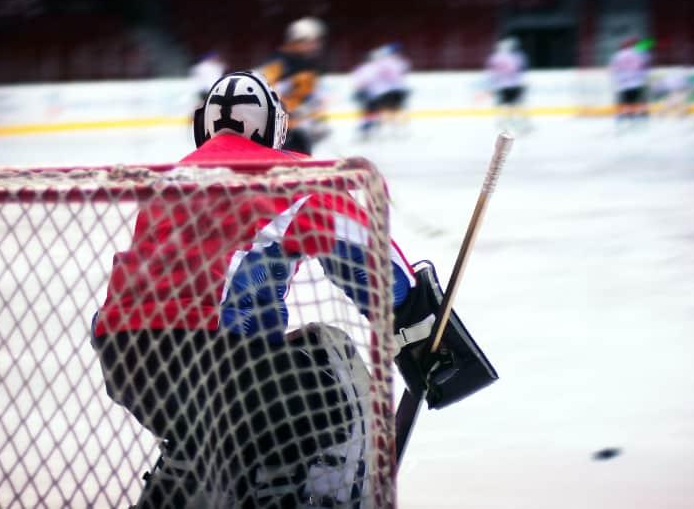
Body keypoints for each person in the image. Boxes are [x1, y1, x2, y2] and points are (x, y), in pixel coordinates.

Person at [91, 71, 498, 508]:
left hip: (126, 362)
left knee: (210, 441)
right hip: (217, 358)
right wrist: (416, 318)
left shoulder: (170, 182)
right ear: (272, 127)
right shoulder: (286, 176)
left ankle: (184, 485)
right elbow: (362, 251)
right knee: (332, 378)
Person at [257, 17, 330, 156]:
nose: (317, 45)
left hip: (298, 129)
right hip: (281, 130)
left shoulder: (307, 64)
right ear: (300, 41)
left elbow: (308, 95)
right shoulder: (279, 62)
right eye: (313, 41)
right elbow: (264, 91)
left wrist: (314, 114)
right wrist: (288, 110)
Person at [351, 44, 412, 140]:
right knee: (388, 110)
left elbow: (362, 82)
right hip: (386, 92)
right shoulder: (394, 62)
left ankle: (371, 129)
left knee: (377, 111)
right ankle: (390, 128)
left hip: (379, 93)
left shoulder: (375, 66)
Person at [485, 37, 530, 133]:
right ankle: (518, 124)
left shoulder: (495, 58)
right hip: (514, 84)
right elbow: (520, 69)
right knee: (516, 105)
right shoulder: (516, 57)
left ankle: (506, 124)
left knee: (506, 106)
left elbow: (492, 72)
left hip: (503, 85)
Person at [608, 37, 650, 128]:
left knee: (625, 103)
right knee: (640, 102)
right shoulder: (639, 53)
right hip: (637, 82)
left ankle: (625, 119)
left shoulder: (617, 55)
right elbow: (645, 66)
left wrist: (617, 79)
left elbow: (613, 70)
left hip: (623, 83)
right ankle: (642, 119)